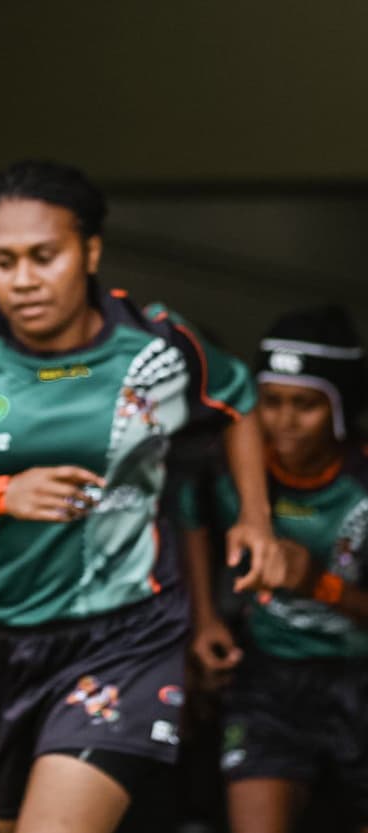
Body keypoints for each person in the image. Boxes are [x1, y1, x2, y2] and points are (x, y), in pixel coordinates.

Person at [0, 159, 282, 833]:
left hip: (128, 635)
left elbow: (237, 401)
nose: (22, 280)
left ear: (91, 252)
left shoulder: (156, 342)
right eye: (2, 260)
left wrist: (255, 519)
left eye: (44, 257)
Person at [179, 306, 368, 833]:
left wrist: (319, 584)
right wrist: (206, 621)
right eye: (271, 402)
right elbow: (190, 523)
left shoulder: (362, 484)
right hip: (268, 683)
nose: (284, 420)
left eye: (305, 405)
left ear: (341, 407)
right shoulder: (230, 471)